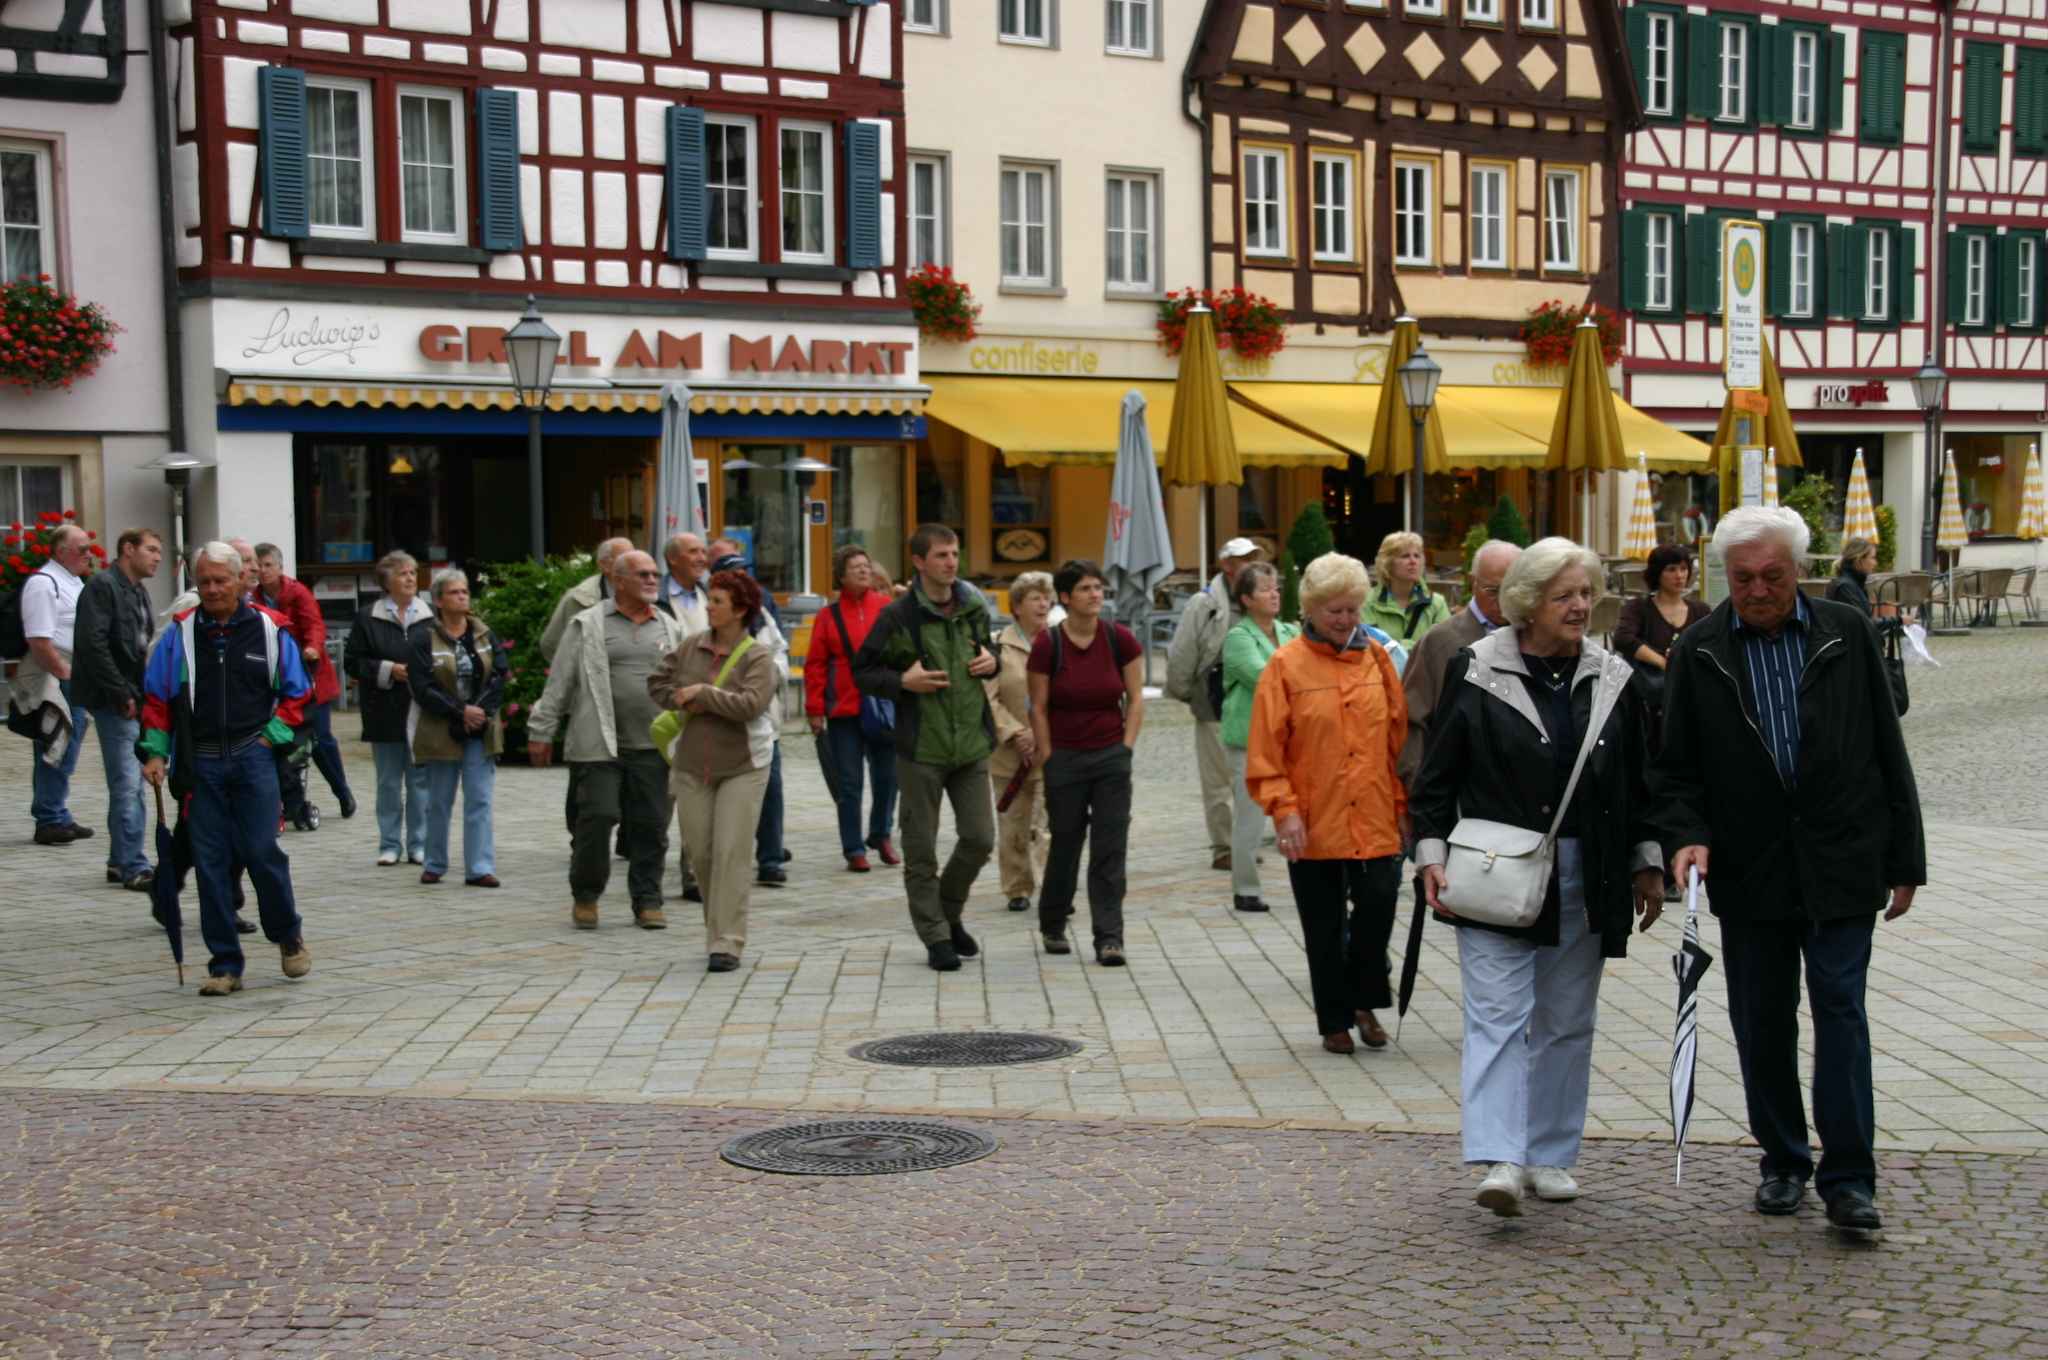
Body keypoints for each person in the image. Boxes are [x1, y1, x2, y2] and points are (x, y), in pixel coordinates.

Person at [1655, 507, 1925, 1234]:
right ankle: (1782, 1160)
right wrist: (1685, 837)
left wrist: (1906, 859)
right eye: (1742, 578)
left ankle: (1849, 1179)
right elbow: (1675, 769)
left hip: (1842, 856)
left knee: (1840, 1013)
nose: (1758, 590)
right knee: (1762, 1019)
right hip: (1751, 867)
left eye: (1773, 576)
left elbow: (1884, 747)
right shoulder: (1701, 649)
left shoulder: (1847, 632)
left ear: (1799, 570)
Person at [1412, 537, 1664, 1218]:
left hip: (1589, 873)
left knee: (1566, 1022)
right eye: (1564, 596)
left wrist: (1646, 862)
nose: (1580, 606)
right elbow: (1435, 777)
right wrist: (1430, 854)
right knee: (1497, 1017)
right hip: (1496, 872)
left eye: (1585, 593)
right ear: (1528, 603)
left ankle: (1551, 1155)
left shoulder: (1614, 678)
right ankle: (1500, 1158)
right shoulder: (1477, 670)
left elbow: (1640, 782)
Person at [1246, 553, 1408, 1056]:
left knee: (1378, 909)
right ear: (1310, 610)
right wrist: (1284, 809)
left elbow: (1397, 741)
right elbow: (1266, 748)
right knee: (1323, 923)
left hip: (1377, 813)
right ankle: (1334, 1019)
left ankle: (1364, 1001)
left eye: (1352, 610)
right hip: (1313, 817)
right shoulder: (1285, 664)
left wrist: (1404, 807)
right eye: (1333, 610)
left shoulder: (1379, 660)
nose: (1343, 620)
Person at [138, 541, 313, 996]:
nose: (212, 589)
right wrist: (155, 752)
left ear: (242, 581)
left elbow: (298, 694)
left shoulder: (272, 630)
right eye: (205, 581)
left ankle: (287, 933)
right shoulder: (180, 633)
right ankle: (225, 964)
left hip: (253, 757)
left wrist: (271, 736)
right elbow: (157, 699)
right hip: (202, 763)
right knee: (210, 865)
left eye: (221, 580)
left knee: (261, 852)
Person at [852, 523, 1001, 972]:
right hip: (921, 749)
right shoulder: (898, 617)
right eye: (941, 555)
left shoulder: (974, 605)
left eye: (954, 553)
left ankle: (947, 913)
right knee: (921, 850)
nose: (951, 562)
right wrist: (903, 682)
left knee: (979, 839)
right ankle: (936, 936)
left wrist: (994, 661)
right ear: (918, 562)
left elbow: (991, 653)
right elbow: (863, 672)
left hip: (972, 743)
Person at [526, 550, 688, 930]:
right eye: (643, 574)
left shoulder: (670, 627)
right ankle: (585, 894)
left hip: (653, 747)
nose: (653, 580)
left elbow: (685, 680)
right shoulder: (587, 624)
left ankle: (647, 900)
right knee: (597, 817)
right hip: (598, 743)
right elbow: (560, 680)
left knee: (651, 826)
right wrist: (541, 730)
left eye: (654, 574)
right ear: (619, 581)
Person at [648, 567, 779, 972]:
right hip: (690, 765)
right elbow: (657, 685)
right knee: (701, 854)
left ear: (740, 610)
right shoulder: (689, 647)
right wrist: (681, 699)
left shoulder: (758, 656)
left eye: (718, 601)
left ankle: (727, 941)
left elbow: (750, 705)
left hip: (743, 765)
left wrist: (704, 694)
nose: (709, 607)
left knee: (730, 853)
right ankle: (717, 928)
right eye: (711, 600)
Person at [1028, 559, 1145, 966]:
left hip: (1111, 757)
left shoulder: (1120, 640)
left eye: (1099, 588)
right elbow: (1038, 707)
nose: (1096, 595)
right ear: (1065, 597)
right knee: (1066, 843)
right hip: (1065, 758)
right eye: (1085, 589)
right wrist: (1047, 754)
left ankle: (1109, 937)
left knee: (1110, 848)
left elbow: (1135, 700)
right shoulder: (1049, 645)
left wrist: (1125, 748)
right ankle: (1053, 922)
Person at [1165, 538, 1264, 871]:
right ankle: (1223, 847)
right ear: (1227, 565)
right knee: (1218, 779)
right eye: (1244, 559)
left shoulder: (1259, 600)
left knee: (1250, 777)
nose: (1250, 563)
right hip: (1213, 700)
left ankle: (1246, 841)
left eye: (1254, 557)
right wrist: (1183, 692)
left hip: (1252, 704)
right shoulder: (1205, 603)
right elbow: (1183, 651)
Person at [70, 526, 161, 888]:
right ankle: (133, 865)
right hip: (114, 699)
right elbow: (92, 645)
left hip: (133, 696)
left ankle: (119, 859)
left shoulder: (136, 590)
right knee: (128, 783)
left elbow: (138, 647)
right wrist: (121, 692)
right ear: (128, 549)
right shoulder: (102, 586)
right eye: (151, 549)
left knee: (128, 781)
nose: (157, 557)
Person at [406, 568, 508, 889]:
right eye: (454, 592)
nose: (462, 597)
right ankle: (434, 862)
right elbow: (422, 685)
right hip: (441, 728)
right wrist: (459, 711)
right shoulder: (423, 637)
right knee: (439, 799)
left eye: (465, 591)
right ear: (438, 600)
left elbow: (499, 675)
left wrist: (479, 712)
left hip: (480, 727)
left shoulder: (483, 633)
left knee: (479, 798)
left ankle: (479, 867)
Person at [805, 544, 899, 872]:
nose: (864, 570)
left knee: (888, 776)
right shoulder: (827, 616)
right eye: (856, 567)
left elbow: (902, 653)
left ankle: (881, 833)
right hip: (844, 709)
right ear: (841, 577)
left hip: (883, 704)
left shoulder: (887, 607)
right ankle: (853, 847)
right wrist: (815, 709)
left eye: (866, 565)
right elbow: (815, 665)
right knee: (849, 782)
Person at [1398, 540, 1521, 789]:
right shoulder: (1440, 641)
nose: (1503, 601)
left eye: (1512, 590)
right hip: (1455, 794)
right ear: (1472, 581)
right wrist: (1418, 789)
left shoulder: (1534, 638)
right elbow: (1412, 723)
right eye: (1492, 591)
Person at [708, 549, 792, 887]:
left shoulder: (763, 613)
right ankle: (718, 860)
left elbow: (779, 653)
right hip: (719, 721)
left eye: (746, 572)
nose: (744, 578)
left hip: (762, 720)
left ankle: (770, 860)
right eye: (735, 574)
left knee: (771, 791)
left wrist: (767, 677)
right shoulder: (710, 614)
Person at [255, 544, 355, 827]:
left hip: (311, 677)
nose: (262, 571)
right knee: (284, 740)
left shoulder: (297, 593)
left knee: (320, 738)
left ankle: (342, 792)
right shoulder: (255, 597)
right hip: (279, 679)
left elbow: (314, 625)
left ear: (279, 567)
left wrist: (311, 647)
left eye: (267, 565)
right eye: (259, 566)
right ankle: (289, 800)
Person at [344, 550, 434, 866]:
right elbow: (353, 662)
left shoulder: (430, 615)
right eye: (403, 573)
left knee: (420, 782)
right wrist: (387, 669)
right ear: (387, 581)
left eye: (412, 572)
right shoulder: (369, 617)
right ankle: (389, 844)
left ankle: (419, 844)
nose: (410, 578)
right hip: (384, 710)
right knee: (388, 783)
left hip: (422, 712)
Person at [1219, 561, 1298, 914]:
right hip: (1249, 740)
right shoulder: (1238, 636)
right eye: (1265, 589)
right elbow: (1264, 677)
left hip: (1289, 740)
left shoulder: (1289, 630)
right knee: (1250, 819)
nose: (1274, 594)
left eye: (1276, 587)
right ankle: (1246, 888)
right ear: (1247, 599)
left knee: (1297, 812)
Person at [18, 523, 94, 846]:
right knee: (56, 744)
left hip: (71, 675)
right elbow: (39, 639)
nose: (88, 555)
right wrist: (64, 674)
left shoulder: (71, 581)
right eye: (82, 549)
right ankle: (49, 818)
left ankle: (55, 812)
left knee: (63, 746)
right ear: (61, 551)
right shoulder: (43, 583)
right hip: (56, 677)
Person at [985, 570, 1053, 913]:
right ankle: (1017, 888)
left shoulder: (1057, 642)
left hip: (1049, 750)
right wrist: (1014, 731)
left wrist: (1042, 733)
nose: (1043, 604)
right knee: (1013, 824)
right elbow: (988, 698)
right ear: (1017, 606)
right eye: (1035, 598)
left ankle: (1048, 884)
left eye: (1046, 597)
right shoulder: (998, 644)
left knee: (1043, 825)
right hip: (1009, 753)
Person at [539, 536, 635, 662]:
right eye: (625, 559)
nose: (634, 564)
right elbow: (551, 644)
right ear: (604, 565)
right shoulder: (579, 599)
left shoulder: (647, 594)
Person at [1363, 530, 1450, 654]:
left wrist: (1398, 647)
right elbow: (1370, 649)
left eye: (1417, 556)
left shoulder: (1437, 603)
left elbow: (1442, 646)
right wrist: (1416, 646)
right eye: (1405, 556)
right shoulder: (1367, 602)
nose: (1413, 561)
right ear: (1387, 563)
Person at [1825, 537, 1895, 619]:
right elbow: (1864, 625)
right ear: (1859, 560)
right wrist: (1898, 621)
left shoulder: (1853, 583)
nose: (1875, 563)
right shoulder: (1846, 588)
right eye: (1873, 558)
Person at [658, 531, 710, 635]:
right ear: (672, 558)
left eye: (704, 552)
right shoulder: (654, 598)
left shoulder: (710, 595)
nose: (702, 559)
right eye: (693, 552)